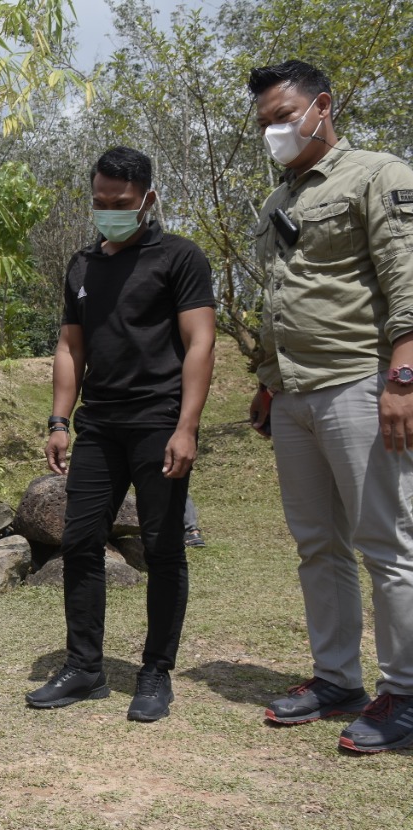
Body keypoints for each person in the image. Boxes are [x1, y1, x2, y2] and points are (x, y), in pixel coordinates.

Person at [246, 60, 413, 753]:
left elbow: (405, 278)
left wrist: (403, 378)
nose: (273, 132)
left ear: (323, 107)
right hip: (294, 393)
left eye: (282, 117)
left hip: (359, 381)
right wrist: (265, 378)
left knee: (388, 544)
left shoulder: (378, 174)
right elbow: (281, 297)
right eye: (263, 124)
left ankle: (405, 691)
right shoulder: (275, 200)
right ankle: (336, 676)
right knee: (318, 544)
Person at [25, 147, 216, 722]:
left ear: (148, 199)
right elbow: (70, 346)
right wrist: (60, 420)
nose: (109, 212)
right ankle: (85, 667)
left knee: (162, 548)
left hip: (159, 423)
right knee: (80, 542)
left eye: (122, 204)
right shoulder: (82, 266)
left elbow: (200, 343)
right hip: (99, 426)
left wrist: (186, 428)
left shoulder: (180, 258)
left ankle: (156, 672)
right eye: (100, 203)